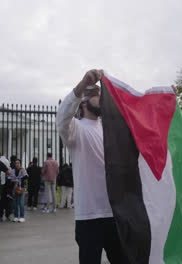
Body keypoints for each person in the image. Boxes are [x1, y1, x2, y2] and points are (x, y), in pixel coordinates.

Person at [57, 69, 128, 263]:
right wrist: (81, 86)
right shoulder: (76, 129)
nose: (101, 99)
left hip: (115, 213)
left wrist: (165, 101)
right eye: (97, 96)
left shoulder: (110, 129)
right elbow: (62, 118)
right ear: (84, 103)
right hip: (89, 217)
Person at [0, 155, 13, 222]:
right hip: (7, 186)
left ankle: (1, 215)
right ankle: (7, 214)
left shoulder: (0, 163)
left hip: (2, 185)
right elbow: (10, 174)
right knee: (8, 201)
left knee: (2, 201)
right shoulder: (7, 165)